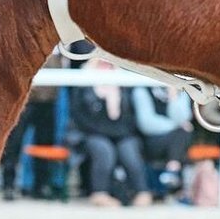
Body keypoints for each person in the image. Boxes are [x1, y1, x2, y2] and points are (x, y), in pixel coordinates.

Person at [69, 58, 151, 207]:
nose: (106, 67)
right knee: (104, 150)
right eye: (102, 64)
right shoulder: (84, 87)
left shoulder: (124, 86)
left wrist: (114, 101)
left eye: (109, 64)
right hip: (91, 133)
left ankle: (142, 192)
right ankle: (99, 193)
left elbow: (131, 117)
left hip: (122, 133)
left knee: (129, 151)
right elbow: (79, 117)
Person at [131, 85, 193, 195]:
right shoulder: (142, 88)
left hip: (175, 140)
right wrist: (176, 126)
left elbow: (183, 117)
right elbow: (146, 124)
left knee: (183, 134)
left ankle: (172, 169)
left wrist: (173, 96)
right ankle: (173, 174)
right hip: (151, 140)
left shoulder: (181, 87)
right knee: (182, 133)